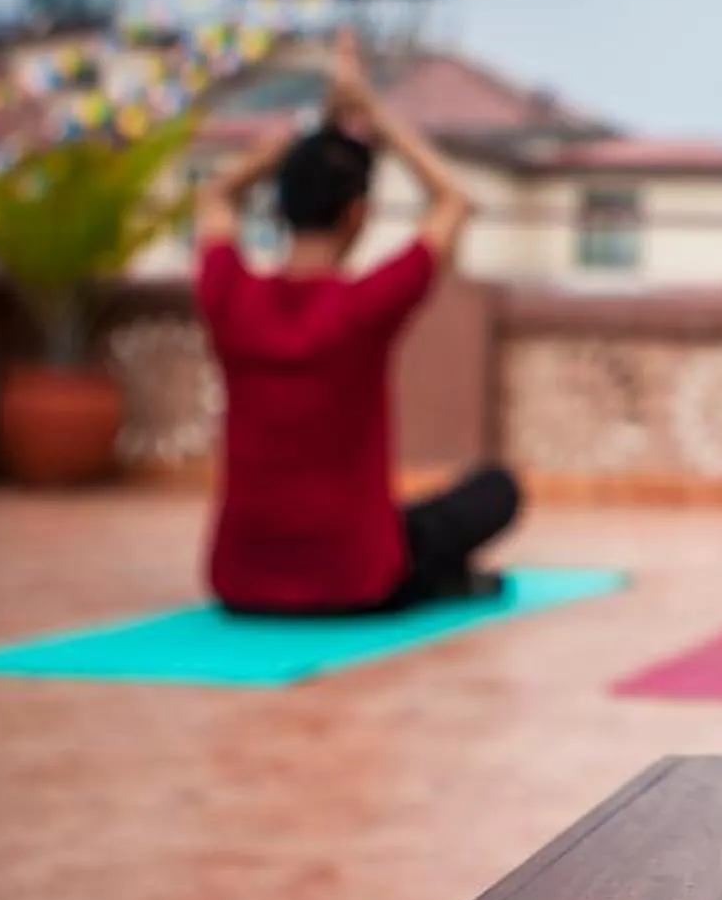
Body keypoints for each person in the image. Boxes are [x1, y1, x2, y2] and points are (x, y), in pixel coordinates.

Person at [194, 31, 522, 615]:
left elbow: (214, 199)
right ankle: (444, 582)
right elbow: (453, 202)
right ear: (358, 214)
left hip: (240, 579)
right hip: (355, 577)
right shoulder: (364, 306)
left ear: (280, 206)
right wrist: (373, 112)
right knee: (497, 491)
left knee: (406, 519)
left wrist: (277, 151)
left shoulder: (230, 295)